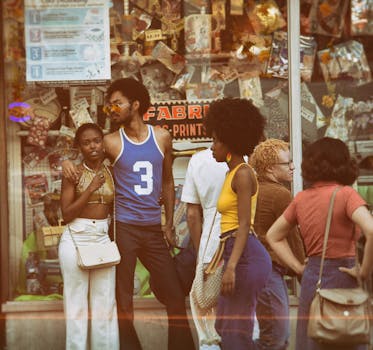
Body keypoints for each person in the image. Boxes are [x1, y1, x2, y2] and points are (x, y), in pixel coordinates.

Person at [62, 78, 195, 350]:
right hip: (123, 228)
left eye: (117, 103)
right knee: (123, 299)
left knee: (173, 295)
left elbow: (168, 181)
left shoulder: (162, 136)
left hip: (153, 229)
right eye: (109, 105)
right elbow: (86, 154)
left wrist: (168, 223)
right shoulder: (111, 141)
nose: (112, 109)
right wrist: (66, 161)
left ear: (135, 105)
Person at [266, 137, 373, 350]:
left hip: (312, 277)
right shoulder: (346, 195)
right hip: (345, 274)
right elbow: (371, 230)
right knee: (346, 338)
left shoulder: (302, 198)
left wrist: (297, 268)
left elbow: (273, 236)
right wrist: (363, 272)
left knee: (313, 340)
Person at [203, 97, 272, 349]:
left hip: (246, 256)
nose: (211, 147)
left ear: (230, 141)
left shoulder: (243, 173)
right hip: (236, 252)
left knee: (235, 330)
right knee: (226, 326)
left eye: (215, 140)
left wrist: (230, 268)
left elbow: (244, 225)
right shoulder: (231, 172)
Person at [59, 123, 119, 350]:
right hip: (76, 238)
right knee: (76, 307)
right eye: (86, 142)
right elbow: (66, 215)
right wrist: (91, 188)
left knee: (105, 305)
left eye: (96, 140)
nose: (92, 146)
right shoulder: (72, 173)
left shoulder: (112, 171)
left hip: (102, 238)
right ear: (79, 147)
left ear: (103, 143)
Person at [250, 138, 305, 350]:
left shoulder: (254, 188)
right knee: (276, 336)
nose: (292, 167)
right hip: (268, 272)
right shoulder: (279, 194)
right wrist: (302, 272)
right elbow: (293, 238)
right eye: (287, 163)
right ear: (271, 168)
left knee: (272, 334)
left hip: (255, 269)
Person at [181, 148, 228, 349]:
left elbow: (192, 215)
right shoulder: (245, 158)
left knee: (207, 314)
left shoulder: (199, 160)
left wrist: (200, 249)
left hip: (210, 241)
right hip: (242, 243)